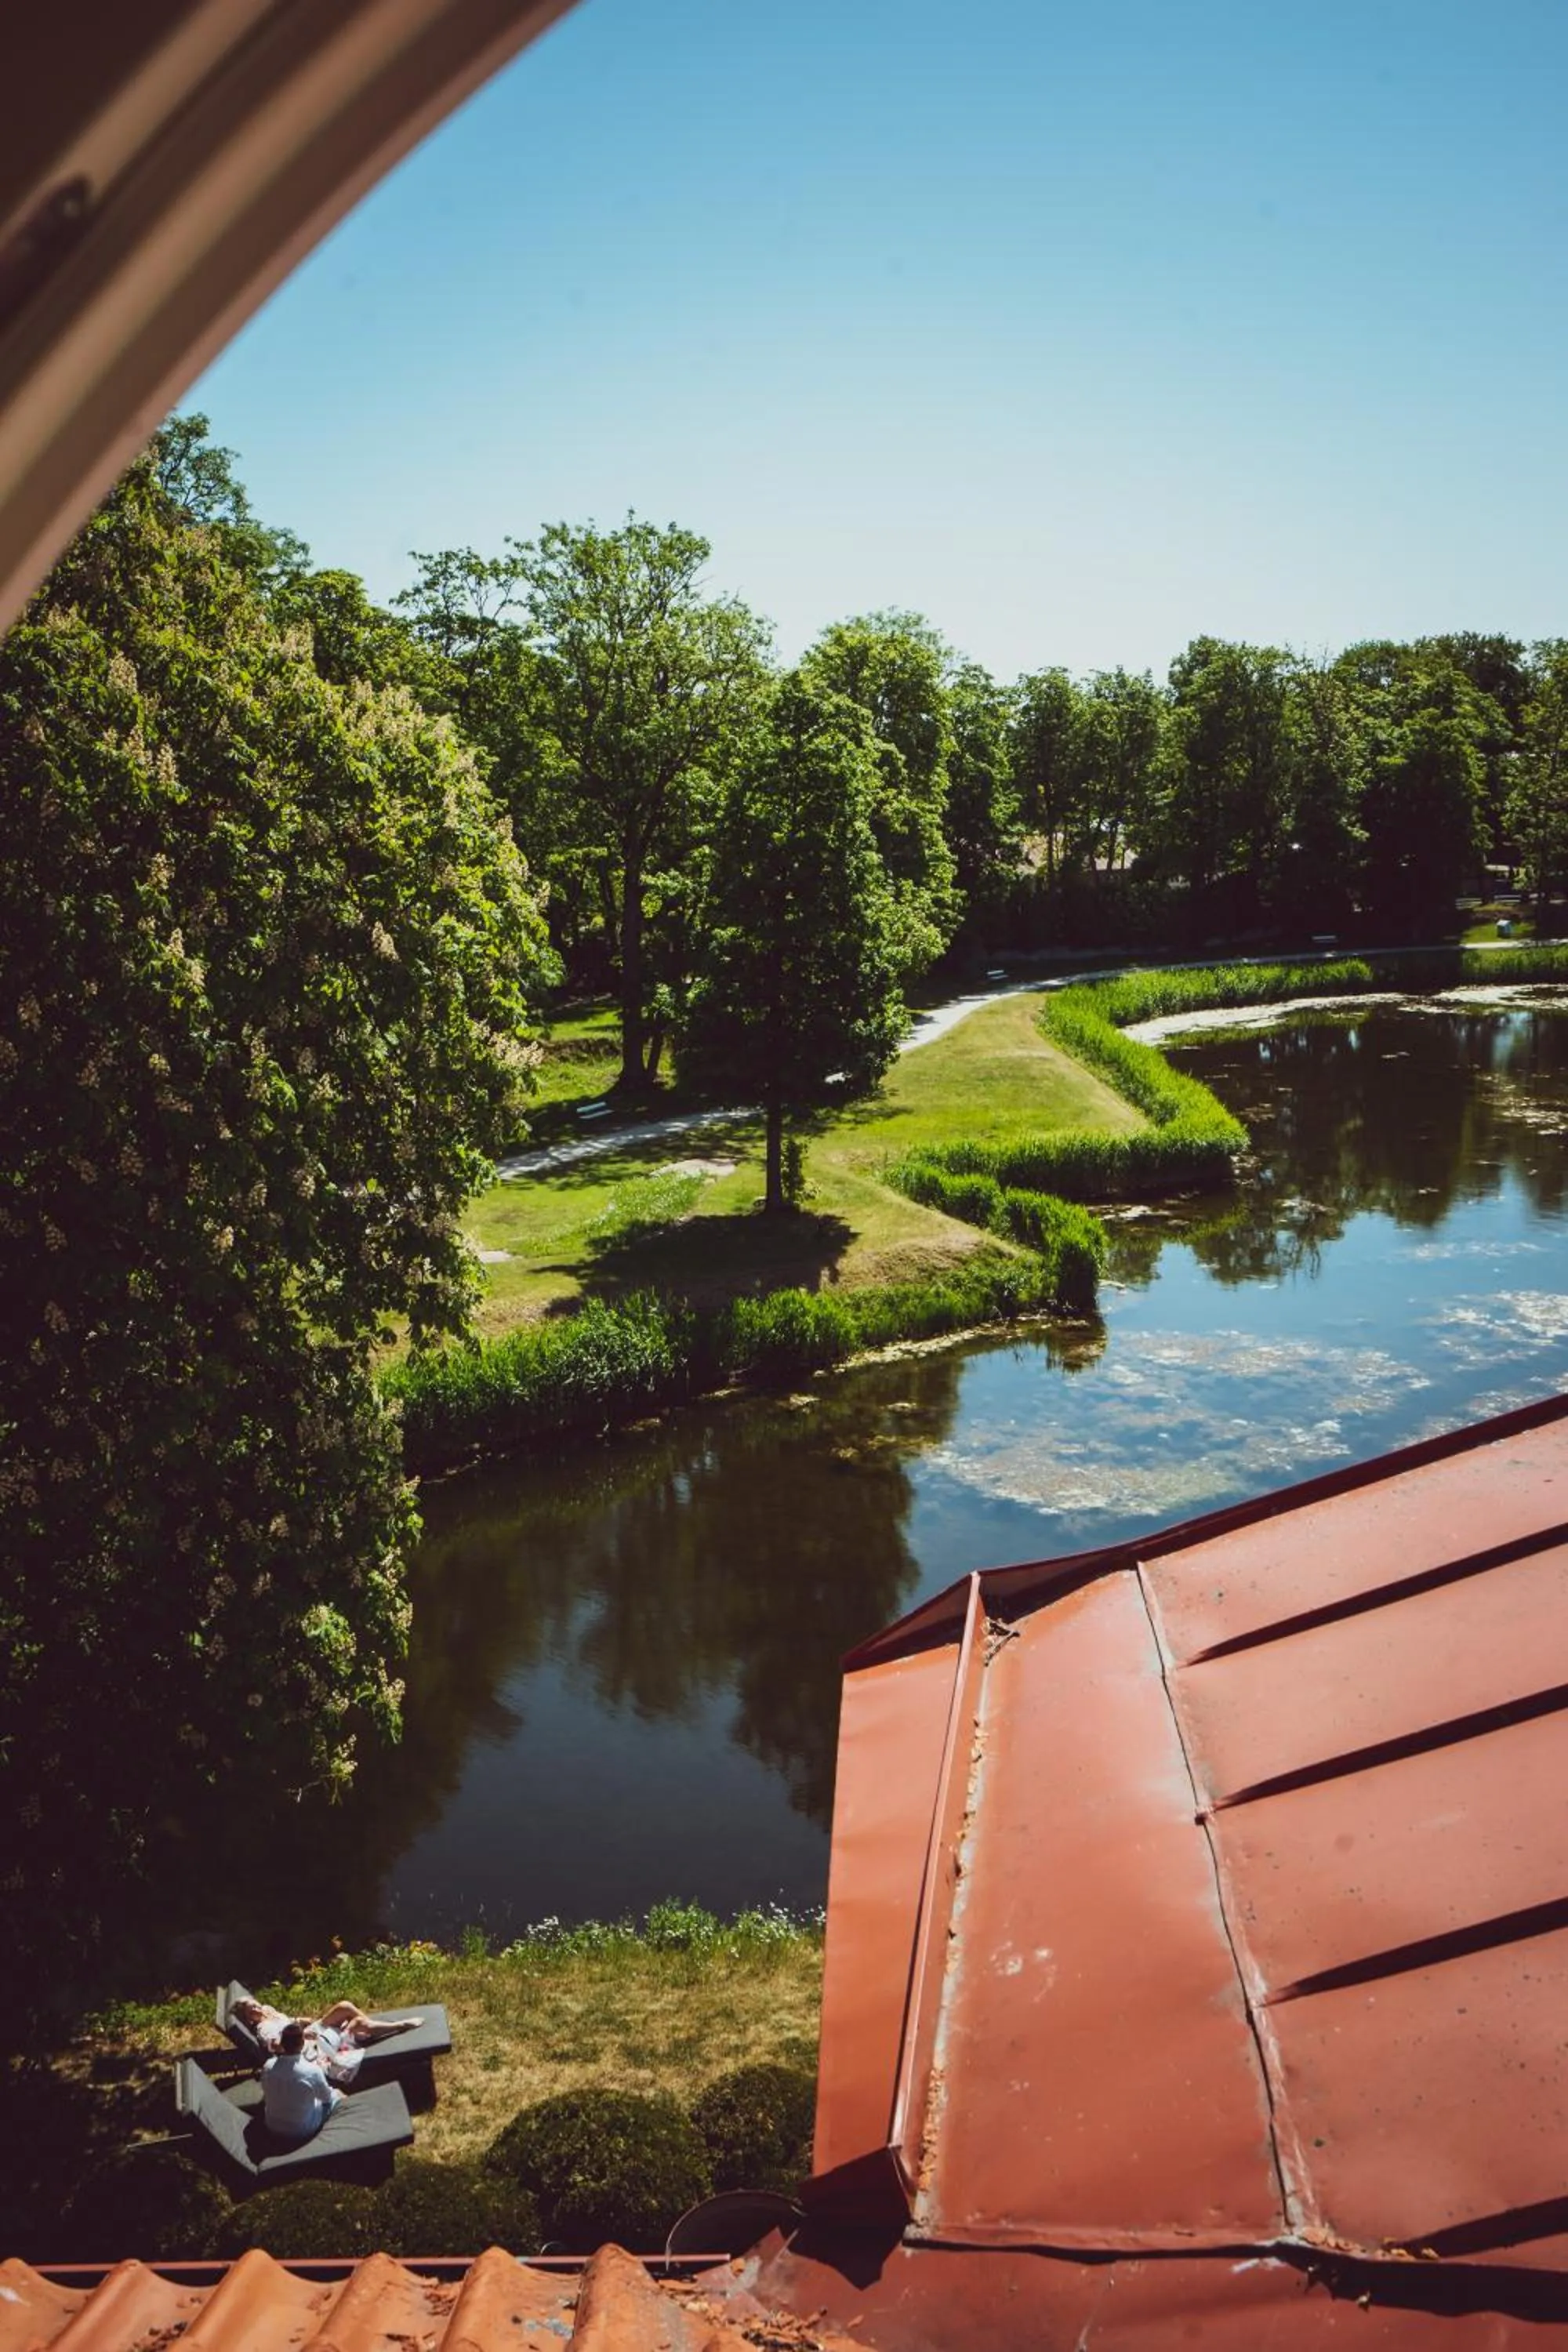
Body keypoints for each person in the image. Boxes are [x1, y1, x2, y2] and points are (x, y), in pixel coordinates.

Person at [261, 2020, 343, 2142]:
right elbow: (326, 2098)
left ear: (282, 2044)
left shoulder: (268, 2066)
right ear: (302, 2044)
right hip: (300, 2130)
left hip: (272, 2125)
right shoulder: (312, 2071)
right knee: (337, 2095)